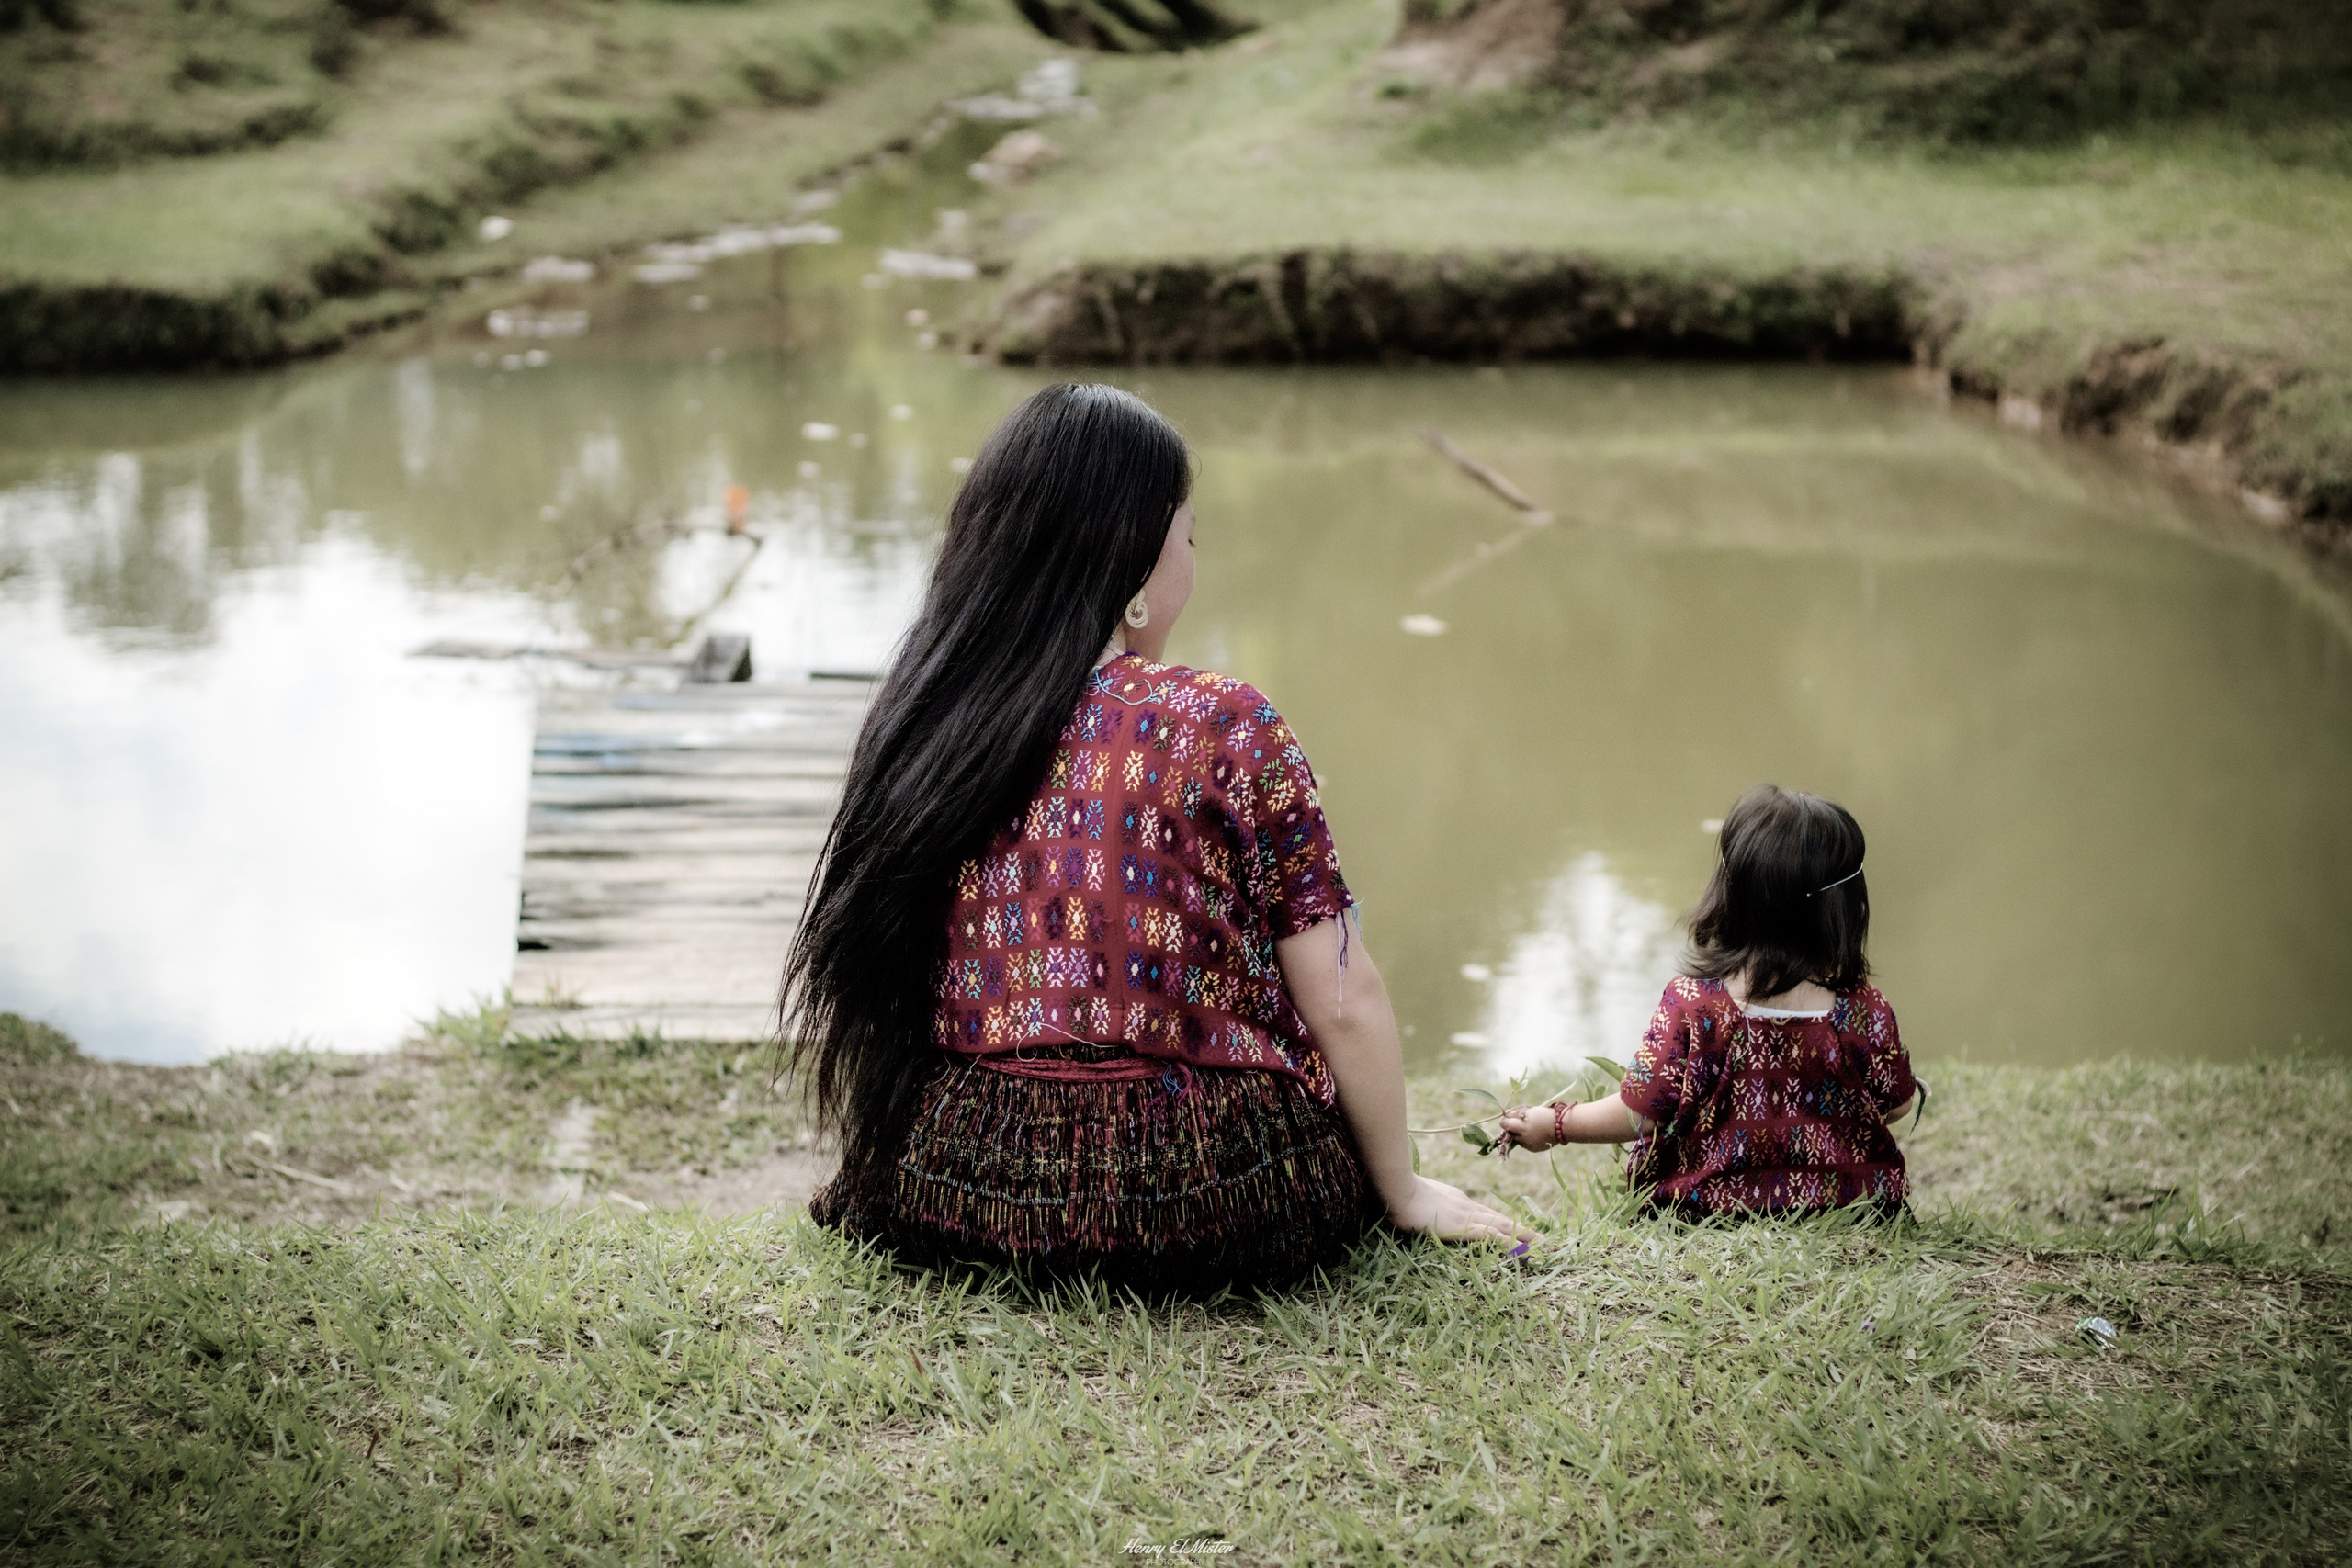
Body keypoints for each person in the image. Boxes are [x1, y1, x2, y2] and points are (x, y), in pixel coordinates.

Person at [783, 383, 1528, 1292]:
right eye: (1189, 535)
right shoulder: (1225, 723)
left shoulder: (932, 720)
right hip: (1220, 1193)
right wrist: (1402, 1189)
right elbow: (1340, 997)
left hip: (962, 1190)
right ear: (1137, 563)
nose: (1192, 558)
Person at [1497, 785, 1918, 1216]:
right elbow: (1898, 1104)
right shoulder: (1865, 1010)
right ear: (1850, 912)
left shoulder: (1694, 1006)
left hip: (1705, 1212)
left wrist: (1558, 1124)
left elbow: (1641, 1114)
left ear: (1727, 896)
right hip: (1856, 1209)